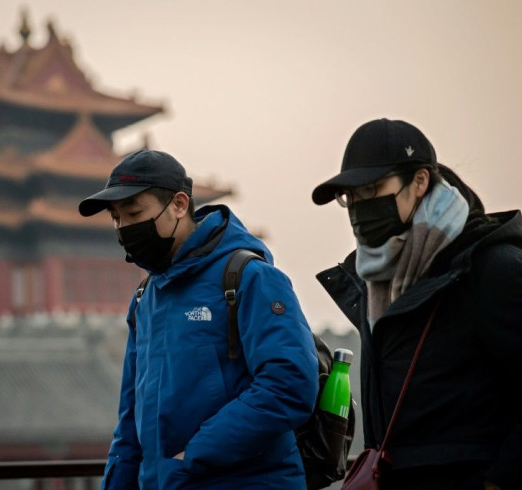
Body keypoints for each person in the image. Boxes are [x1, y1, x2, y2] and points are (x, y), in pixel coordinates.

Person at [79, 149, 319, 489]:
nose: (124, 228)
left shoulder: (250, 277)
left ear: (179, 205)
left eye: (134, 212)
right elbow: (131, 418)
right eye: (116, 218)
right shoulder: (145, 298)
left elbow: (289, 385)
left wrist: (192, 454)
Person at [311, 118, 522, 490]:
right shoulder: (374, 283)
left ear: (420, 181)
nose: (360, 206)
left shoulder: (490, 268)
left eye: (373, 188)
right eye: (350, 196)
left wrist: (497, 482)